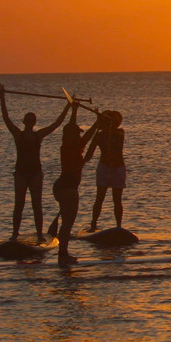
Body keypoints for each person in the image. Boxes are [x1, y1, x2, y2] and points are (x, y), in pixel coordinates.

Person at [0, 84, 69, 243]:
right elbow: (5, 118)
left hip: (36, 173)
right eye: (28, 119)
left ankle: (39, 235)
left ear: (35, 121)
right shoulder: (18, 134)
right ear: (24, 121)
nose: (30, 121)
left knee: (37, 204)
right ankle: (15, 234)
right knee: (19, 205)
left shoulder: (39, 135)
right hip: (21, 173)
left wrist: (68, 106)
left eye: (32, 119)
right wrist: (2, 98)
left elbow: (57, 124)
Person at [51, 102, 99, 265]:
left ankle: (63, 254)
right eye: (77, 133)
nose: (80, 135)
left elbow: (78, 132)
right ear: (73, 135)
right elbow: (87, 136)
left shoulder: (67, 146)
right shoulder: (72, 146)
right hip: (68, 189)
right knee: (67, 224)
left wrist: (75, 110)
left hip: (62, 187)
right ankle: (63, 255)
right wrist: (97, 122)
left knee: (67, 223)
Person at [85, 110, 126, 232]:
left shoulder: (120, 133)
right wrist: (80, 163)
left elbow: (114, 136)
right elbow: (90, 153)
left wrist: (106, 122)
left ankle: (119, 225)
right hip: (104, 168)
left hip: (118, 169)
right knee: (100, 197)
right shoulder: (99, 135)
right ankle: (93, 224)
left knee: (117, 199)